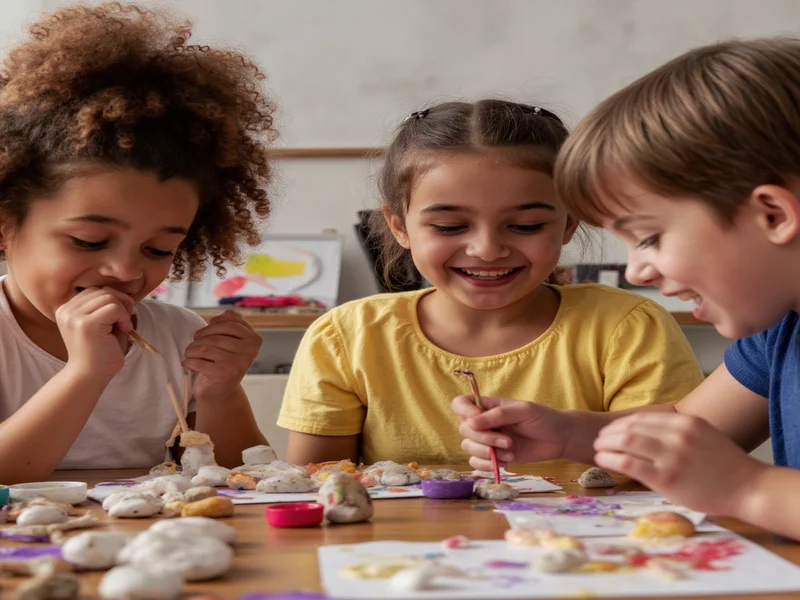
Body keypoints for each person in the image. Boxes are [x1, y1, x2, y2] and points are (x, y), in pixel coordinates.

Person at [455, 37, 800, 541]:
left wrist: (746, 489)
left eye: (650, 238)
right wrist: (568, 432)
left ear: (773, 215)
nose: (637, 271)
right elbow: (684, 426)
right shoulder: (780, 330)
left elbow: (724, 470)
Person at [278, 99, 703, 466]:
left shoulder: (626, 325)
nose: (486, 249)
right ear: (398, 226)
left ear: (570, 221)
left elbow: (679, 460)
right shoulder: (346, 337)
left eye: (525, 225)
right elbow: (319, 488)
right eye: (448, 226)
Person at [0, 2, 278, 483]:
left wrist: (220, 394)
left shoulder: (175, 337)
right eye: (89, 240)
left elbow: (240, 478)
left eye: (158, 249)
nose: (126, 271)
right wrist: (85, 374)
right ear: (7, 224)